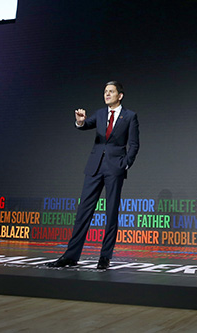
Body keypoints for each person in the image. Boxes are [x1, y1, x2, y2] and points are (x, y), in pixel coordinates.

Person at [46, 81, 140, 270]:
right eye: (105, 91)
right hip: (94, 167)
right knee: (83, 211)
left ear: (120, 95)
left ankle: (105, 257)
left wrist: (125, 164)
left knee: (111, 212)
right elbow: (85, 124)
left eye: (111, 91)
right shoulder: (100, 113)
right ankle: (70, 256)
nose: (107, 94)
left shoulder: (130, 116)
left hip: (115, 168)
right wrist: (80, 121)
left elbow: (134, 144)